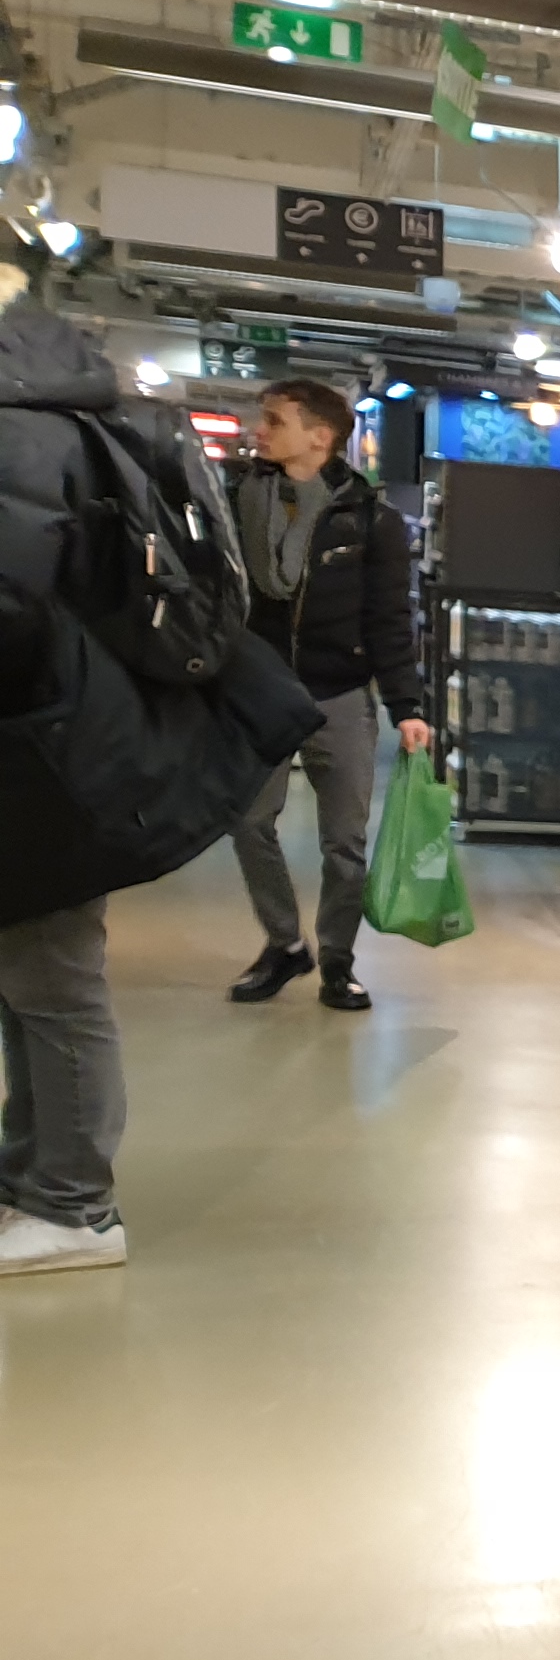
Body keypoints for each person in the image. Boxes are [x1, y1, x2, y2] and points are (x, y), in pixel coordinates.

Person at [0, 280, 321, 1274]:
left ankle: (73, 1203)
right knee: (30, 971)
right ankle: (33, 1178)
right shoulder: (64, 415)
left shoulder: (23, 431)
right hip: (70, 728)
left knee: (49, 974)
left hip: (50, 743)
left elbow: (11, 607)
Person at [223, 376, 427, 1013]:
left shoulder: (369, 519)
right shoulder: (237, 501)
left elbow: (389, 619)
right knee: (247, 819)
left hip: (340, 693)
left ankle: (338, 959)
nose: (259, 431)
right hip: (262, 692)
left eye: (274, 421)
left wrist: (407, 706)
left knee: (345, 843)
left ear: (319, 436)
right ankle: (285, 943)